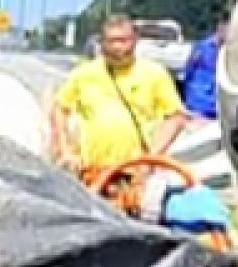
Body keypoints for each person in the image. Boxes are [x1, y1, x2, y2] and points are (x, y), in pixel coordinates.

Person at [52, 13, 186, 174]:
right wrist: (66, 150)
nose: (117, 47)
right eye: (111, 41)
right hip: (91, 171)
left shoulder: (154, 73)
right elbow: (60, 108)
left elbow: (176, 118)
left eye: (123, 40)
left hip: (135, 172)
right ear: (102, 43)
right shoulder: (84, 73)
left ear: (135, 40)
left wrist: (151, 158)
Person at [179, 25, 223, 122]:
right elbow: (188, 72)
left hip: (217, 106)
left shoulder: (227, 50)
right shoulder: (201, 47)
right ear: (220, 26)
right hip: (198, 103)